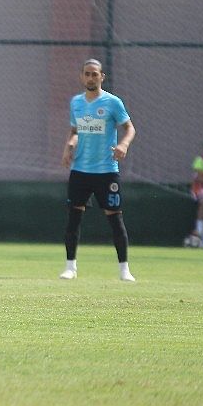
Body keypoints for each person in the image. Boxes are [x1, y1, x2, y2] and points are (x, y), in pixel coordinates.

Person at [59, 58, 137, 282]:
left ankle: (124, 270)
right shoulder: (76, 103)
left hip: (106, 171)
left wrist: (123, 145)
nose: (91, 77)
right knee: (73, 219)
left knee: (115, 220)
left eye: (95, 74)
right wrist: (68, 147)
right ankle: (70, 267)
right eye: (87, 73)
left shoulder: (113, 103)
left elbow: (130, 128)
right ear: (81, 77)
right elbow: (75, 130)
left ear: (102, 77)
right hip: (80, 171)